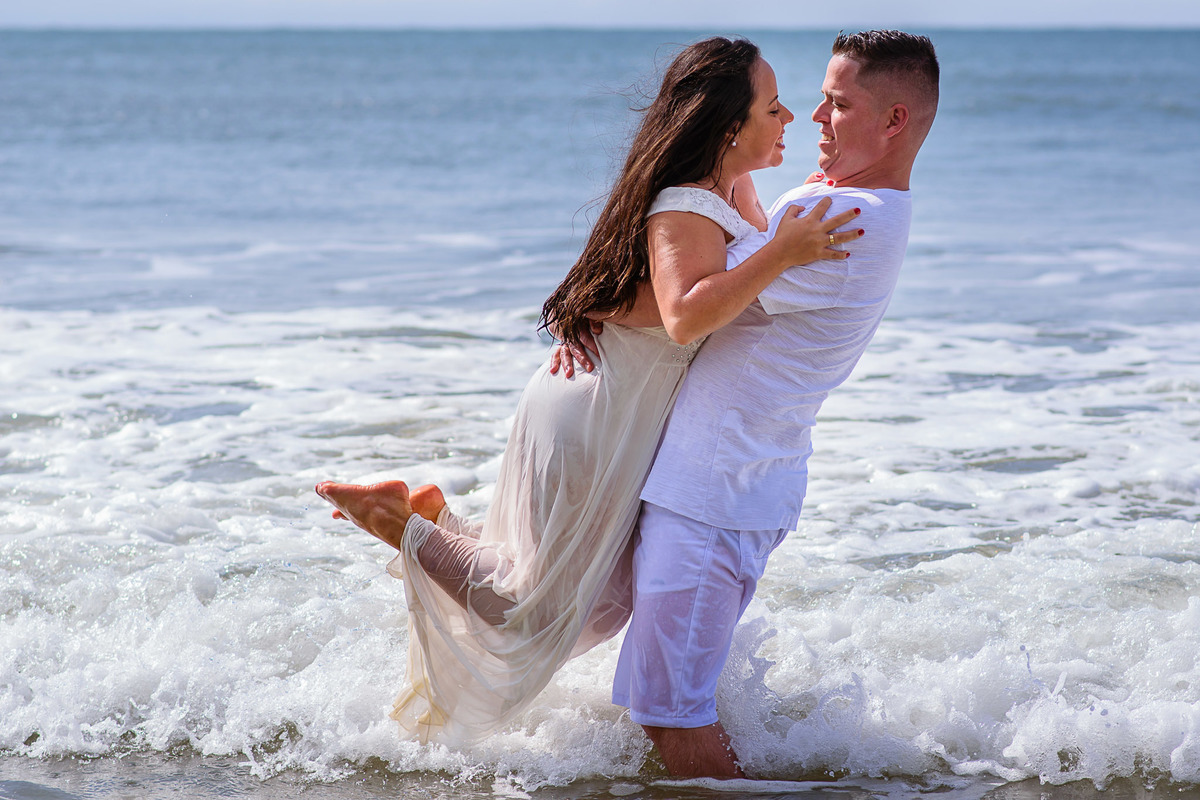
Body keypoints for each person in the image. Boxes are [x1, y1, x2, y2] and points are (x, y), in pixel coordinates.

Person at [315, 37, 863, 744]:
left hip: (620, 402)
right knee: (538, 613)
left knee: (602, 601)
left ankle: (438, 519)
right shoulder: (687, 205)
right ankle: (398, 522)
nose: (789, 115)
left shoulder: (731, 189)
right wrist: (785, 253)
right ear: (730, 127)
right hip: (600, 413)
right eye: (772, 105)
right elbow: (687, 312)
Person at [605, 30, 940, 778]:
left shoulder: (848, 224)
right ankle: (415, 528)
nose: (813, 118)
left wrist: (583, 306)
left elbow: (677, 302)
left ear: (893, 122)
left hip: (716, 496)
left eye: (837, 104)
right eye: (816, 100)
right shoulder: (825, 201)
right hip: (716, 482)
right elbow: (730, 256)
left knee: (672, 720)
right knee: (630, 674)